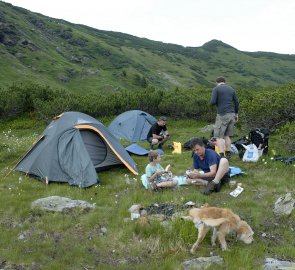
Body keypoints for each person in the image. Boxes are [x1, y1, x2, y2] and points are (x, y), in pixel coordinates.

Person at [210, 76, 239, 159]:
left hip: (222, 114)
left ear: (217, 82)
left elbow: (212, 102)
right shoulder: (231, 89)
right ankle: (228, 153)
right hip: (232, 114)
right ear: (224, 82)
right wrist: (236, 113)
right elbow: (237, 102)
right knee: (227, 135)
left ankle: (221, 155)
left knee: (218, 136)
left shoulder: (216, 89)